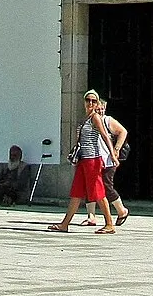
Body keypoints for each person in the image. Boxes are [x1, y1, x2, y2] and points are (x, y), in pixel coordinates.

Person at [48, 90, 119, 234]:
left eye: (94, 101)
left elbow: (105, 136)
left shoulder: (95, 118)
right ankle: (65, 224)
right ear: (84, 101)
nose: (90, 103)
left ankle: (110, 224)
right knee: (76, 192)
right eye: (88, 100)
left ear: (97, 103)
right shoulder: (85, 119)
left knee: (98, 192)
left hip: (92, 160)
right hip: (83, 160)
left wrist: (113, 154)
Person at [93, 97, 131, 226]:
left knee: (106, 186)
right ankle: (92, 216)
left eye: (102, 108)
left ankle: (122, 211)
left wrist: (116, 149)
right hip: (96, 159)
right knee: (96, 186)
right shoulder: (91, 121)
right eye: (98, 108)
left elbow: (123, 132)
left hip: (108, 159)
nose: (101, 110)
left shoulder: (107, 120)